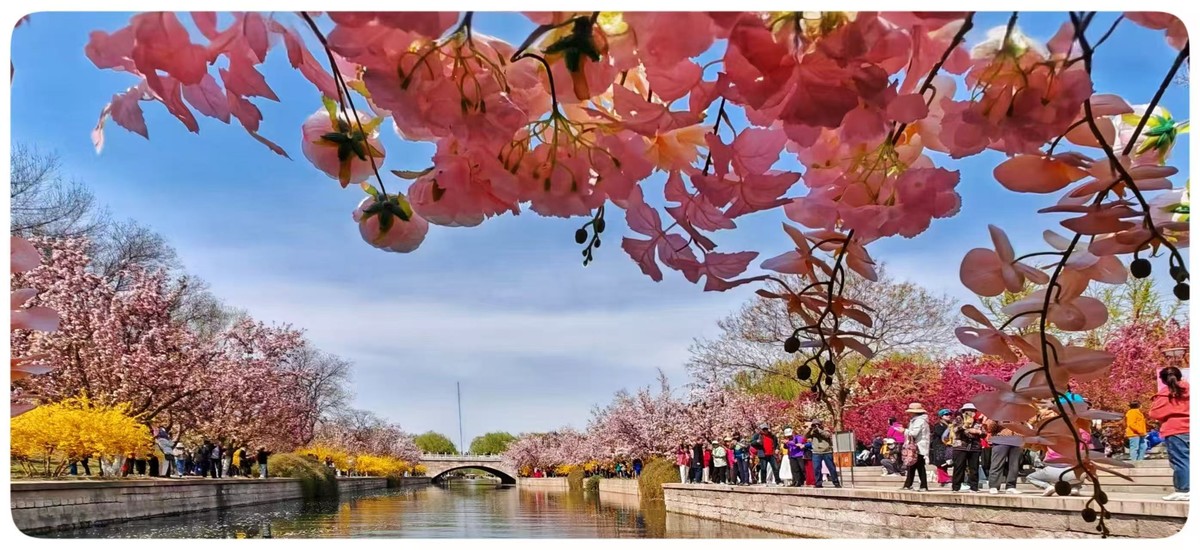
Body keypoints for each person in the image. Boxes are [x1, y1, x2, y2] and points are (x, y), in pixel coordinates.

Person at [1150, 366, 1189, 501]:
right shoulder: (1190, 389)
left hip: (1175, 430)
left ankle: (1184, 489)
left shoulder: (1165, 393)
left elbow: (1154, 413)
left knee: (1180, 460)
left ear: (1163, 380)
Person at [951, 403, 985, 493]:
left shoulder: (977, 422)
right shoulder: (958, 420)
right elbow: (954, 430)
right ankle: (956, 486)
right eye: (968, 410)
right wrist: (965, 426)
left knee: (974, 468)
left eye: (973, 411)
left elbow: (984, 433)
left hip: (974, 447)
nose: (971, 412)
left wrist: (978, 432)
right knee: (959, 467)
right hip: (960, 446)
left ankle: (974, 486)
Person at [986, 417, 1024, 494]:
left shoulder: (1019, 412)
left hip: (1016, 439)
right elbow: (989, 428)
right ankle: (994, 486)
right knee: (997, 463)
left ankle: (1011, 486)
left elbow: (1026, 425)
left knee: (1014, 465)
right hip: (1001, 439)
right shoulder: (998, 412)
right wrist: (996, 419)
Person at [902, 402, 930, 492]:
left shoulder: (919, 421)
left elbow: (914, 433)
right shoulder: (916, 420)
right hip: (917, 446)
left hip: (918, 447)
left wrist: (904, 431)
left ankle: (923, 485)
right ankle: (908, 484)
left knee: (919, 466)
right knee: (912, 465)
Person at [807, 420, 841, 488]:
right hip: (816, 452)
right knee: (816, 468)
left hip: (827, 451)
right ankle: (818, 483)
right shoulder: (812, 431)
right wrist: (809, 429)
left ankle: (836, 482)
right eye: (814, 424)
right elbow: (805, 436)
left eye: (817, 424)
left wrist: (819, 430)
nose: (816, 426)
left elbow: (827, 435)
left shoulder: (825, 429)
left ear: (820, 424)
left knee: (831, 468)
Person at [930, 409, 953, 487]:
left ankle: (943, 479)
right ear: (941, 416)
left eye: (950, 414)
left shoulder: (950, 425)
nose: (949, 415)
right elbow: (941, 434)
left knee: (946, 463)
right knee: (941, 463)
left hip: (948, 446)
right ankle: (944, 479)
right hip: (939, 446)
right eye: (946, 414)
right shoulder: (939, 425)